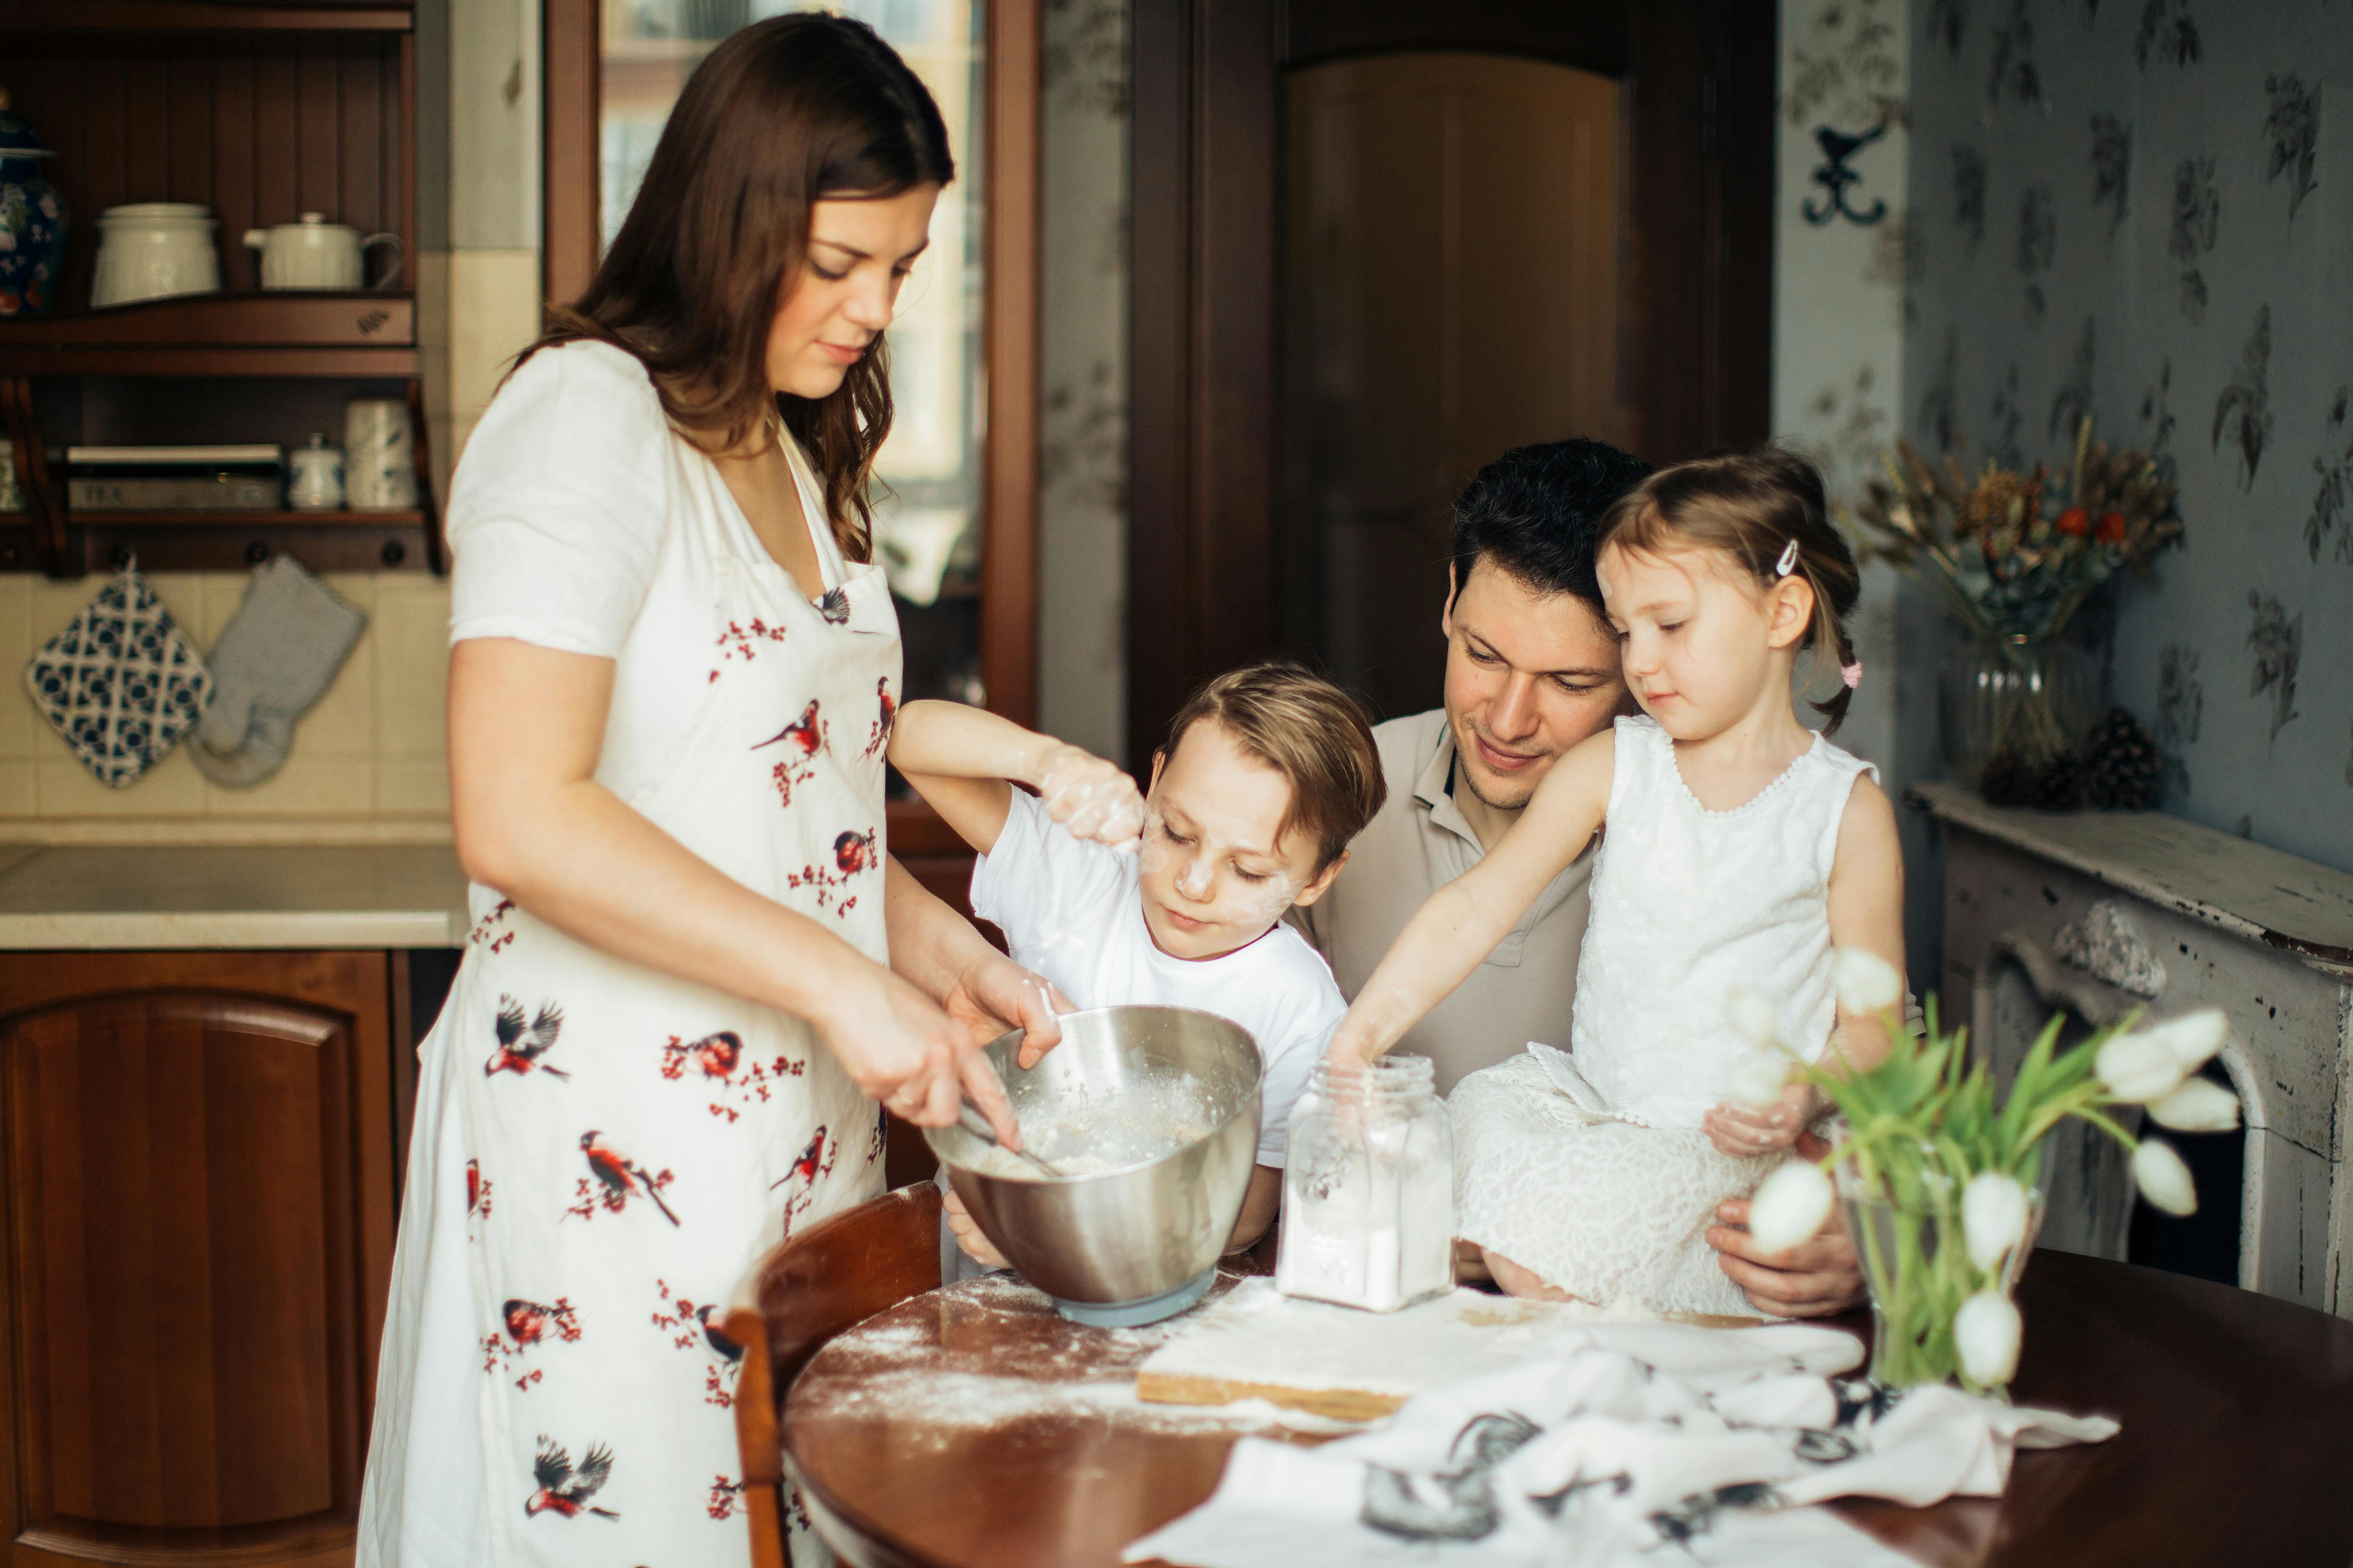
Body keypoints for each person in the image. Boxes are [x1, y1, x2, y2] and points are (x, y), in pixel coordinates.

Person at [358, 20, 1063, 1567]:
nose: (876, 308)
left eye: (903, 264)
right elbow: (519, 813)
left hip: (791, 1113)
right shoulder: (585, 416)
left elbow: (779, 802)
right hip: (614, 1125)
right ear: (730, 219)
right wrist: (839, 979)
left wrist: (939, 958)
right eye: (838, 261)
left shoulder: (787, 444)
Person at [1294, 438, 1866, 1317]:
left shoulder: (1760, 822)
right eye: (1484, 655)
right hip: (1384, 1301)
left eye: (1569, 680)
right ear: (1448, 602)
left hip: (1657, 1300)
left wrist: (1860, 1239)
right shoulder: (1329, 793)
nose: (1511, 719)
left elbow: (1890, 1077)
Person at [891, 662, 1384, 1266]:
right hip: (979, 1256)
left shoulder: (1300, 1008)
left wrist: (1046, 1230)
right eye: (1176, 832)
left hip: (1144, 1283)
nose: (1193, 883)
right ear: (1153, 781)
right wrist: (1047, 763)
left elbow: (1243, 1219)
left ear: (1318, 878)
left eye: (1248, 870)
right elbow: (909, 739)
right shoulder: (1077, 873)